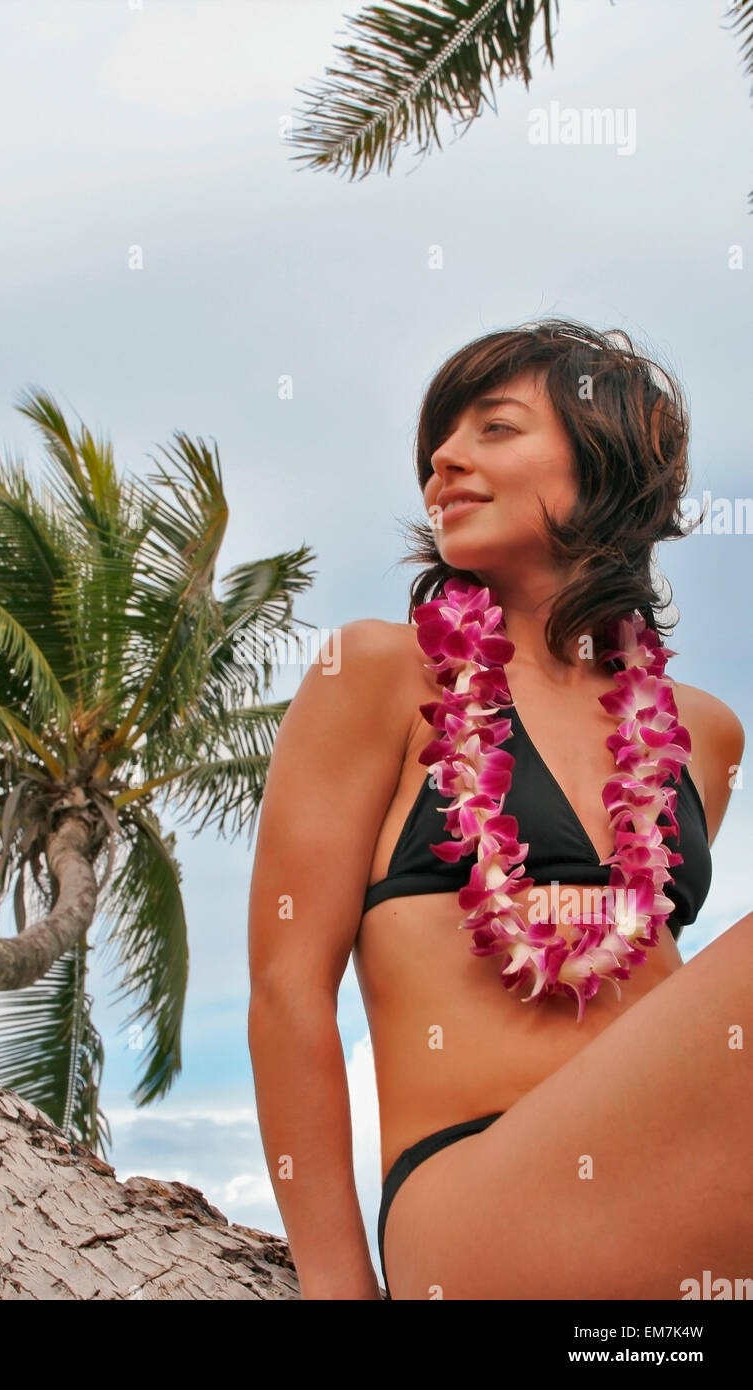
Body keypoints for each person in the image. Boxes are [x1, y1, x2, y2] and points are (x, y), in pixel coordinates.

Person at [246, 319, 750, 1301]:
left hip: (674, 1221)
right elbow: (285, 988)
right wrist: (337, 1287)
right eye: (438, 441)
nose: (441, 459)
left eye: (493, 428)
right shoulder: (380, 674)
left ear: (608, 460)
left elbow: (661, 1004)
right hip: (479, 1217)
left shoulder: (702, 734)